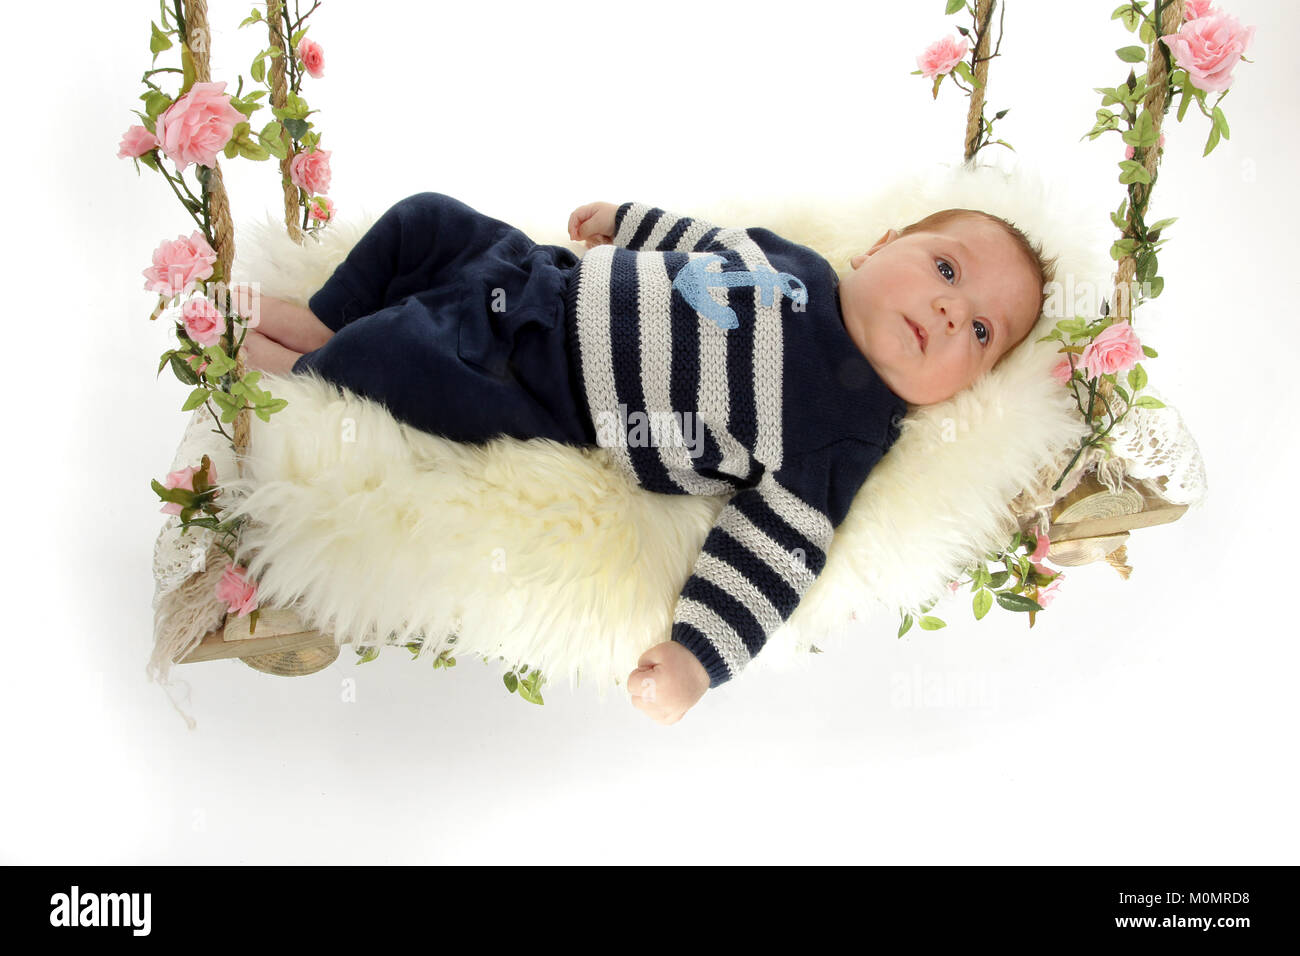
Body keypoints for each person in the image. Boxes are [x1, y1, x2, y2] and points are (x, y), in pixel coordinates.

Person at [237, 192, 1055, 726]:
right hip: (540, 277)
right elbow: (706, 243)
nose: (951, 311)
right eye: (946, 268)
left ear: (966, 386)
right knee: (424, 221)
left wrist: (699, 659)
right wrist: (626, 223)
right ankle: (323, 320)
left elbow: (774, 555)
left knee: (407, 357)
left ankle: (302, 365)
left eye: (981, 334)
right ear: (879, 246)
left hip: (543, 388)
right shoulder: (800, 265)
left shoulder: (839, 433)